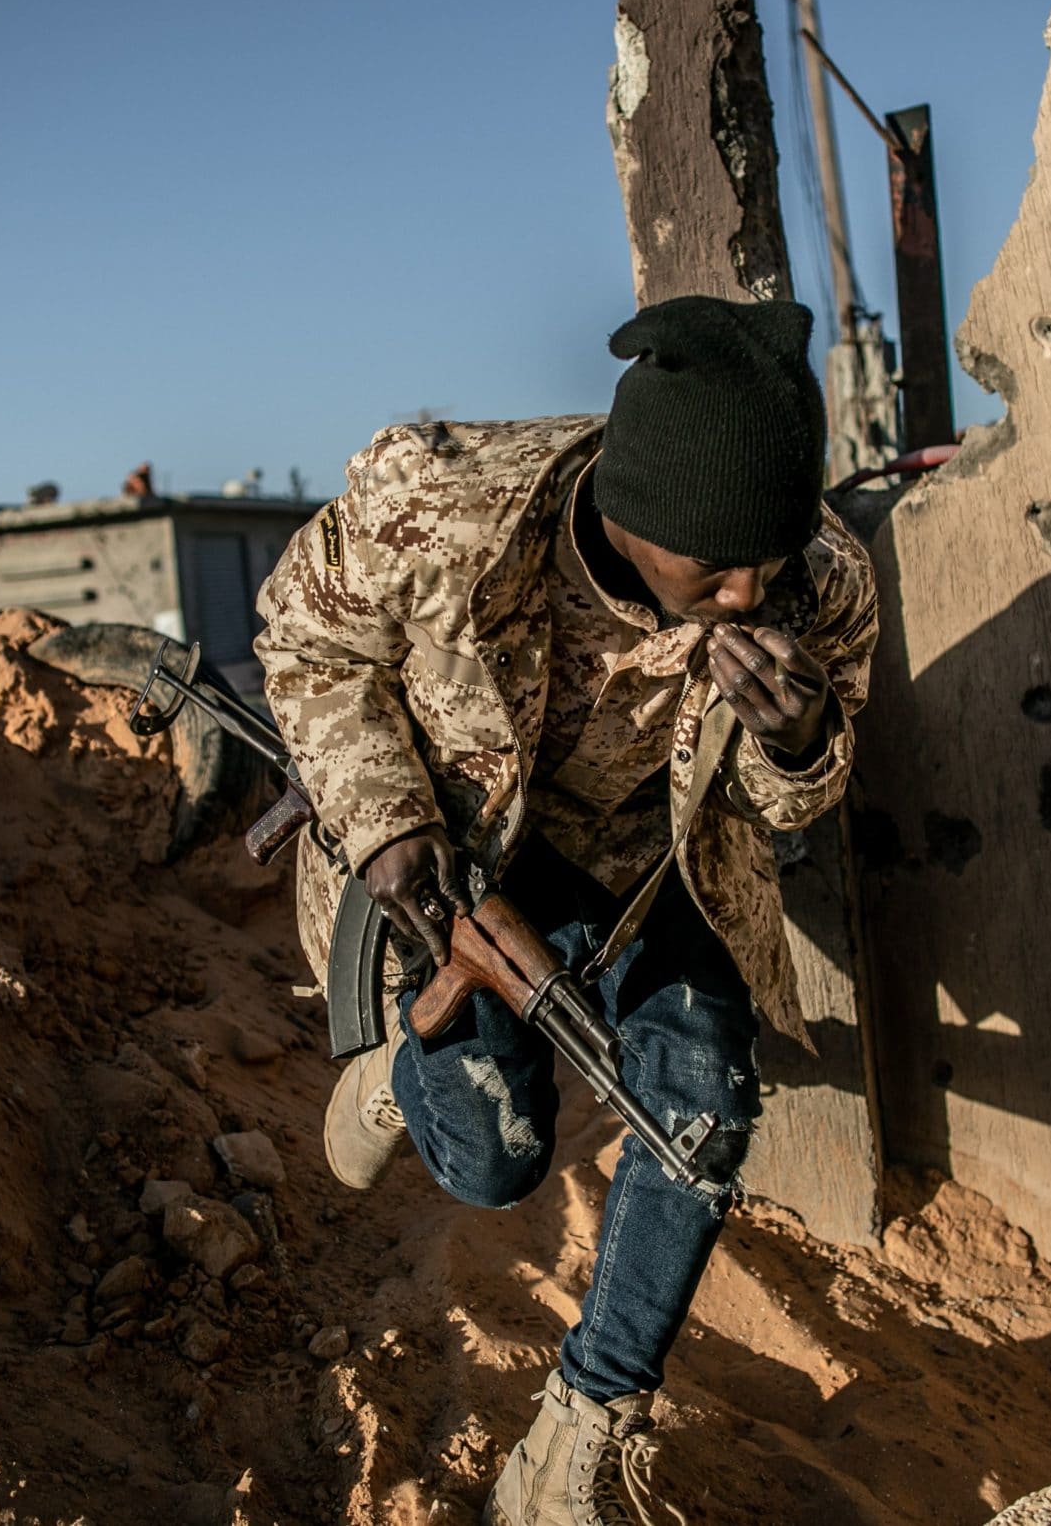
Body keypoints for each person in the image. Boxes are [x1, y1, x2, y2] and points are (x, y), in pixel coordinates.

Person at [252, 295, 878, 1524]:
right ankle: (397, 1058)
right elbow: (302, 646)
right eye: (717, 567)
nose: (752, 592)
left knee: (699, 1111)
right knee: (497, 1163)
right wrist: (387, 828)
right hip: (460, 857)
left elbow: (790, 804)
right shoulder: (437, 508)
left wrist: (800, 740)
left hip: (663, 867)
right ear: (632, 512)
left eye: (773, 554)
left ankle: (576, 1437)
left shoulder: (820, 580)